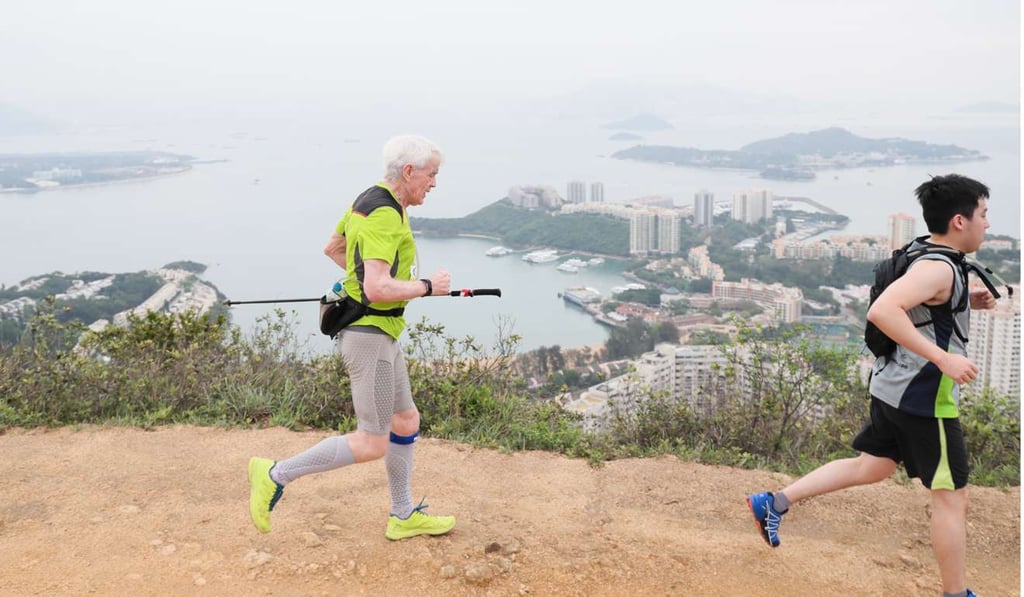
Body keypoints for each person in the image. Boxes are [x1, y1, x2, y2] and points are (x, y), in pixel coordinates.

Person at [746, 174, 995, 597]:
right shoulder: (938, 266)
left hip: (891, 385)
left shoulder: (928, 252)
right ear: (959, 220)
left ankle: (775, 502)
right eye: (984, 214)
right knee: (951, 498)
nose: (988, 223)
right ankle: (956, 594)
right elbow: (884, 310)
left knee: (872, 466)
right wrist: (944, 358)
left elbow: (922, 306)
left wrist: (965, 301)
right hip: (922, 399)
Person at [248, 134, 456, 541]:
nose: (434, 183)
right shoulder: (384, 215)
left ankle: (402, 514)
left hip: (380, 332)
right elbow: (378, 289)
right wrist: (428, 286)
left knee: (405, 419)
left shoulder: (370, 200)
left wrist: (365, 279)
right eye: (431, 175)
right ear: (409, 171)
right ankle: (275, 474)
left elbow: (334, 248)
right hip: (369, 335)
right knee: (372, 441)